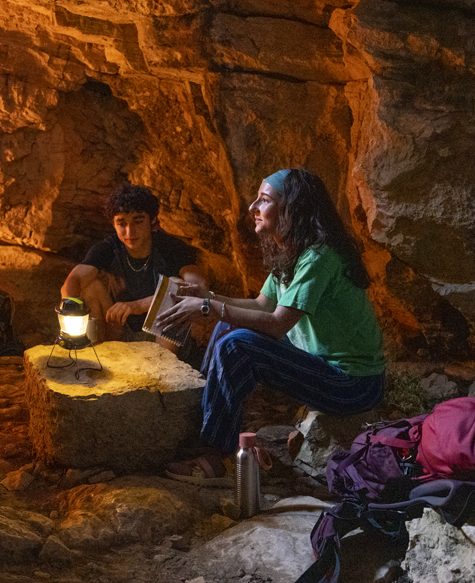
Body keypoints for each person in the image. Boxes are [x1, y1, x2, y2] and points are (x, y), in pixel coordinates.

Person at [155, 168, 385, 486]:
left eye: (264, 200)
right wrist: (207, 297)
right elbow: (262, 305)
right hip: (321, 366)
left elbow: (277, 324)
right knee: (226, 328)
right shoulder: (292, 251)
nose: (253, 207)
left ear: (291, 208)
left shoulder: (319, 257)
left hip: (352, 384)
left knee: (236, 344)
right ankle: (204, 430)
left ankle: (218, 457)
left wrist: (208, 308)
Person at [60, 184, 208, 360]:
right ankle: (97, 358)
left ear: (152, 221)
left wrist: (138, 306)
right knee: (90, 288)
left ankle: (164, 367)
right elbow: (74, 280)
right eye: (122, 223)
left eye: (138, 221)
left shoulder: (171, 248)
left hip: (163, 338)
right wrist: (70, 311)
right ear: (113, 224)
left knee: (176, 285)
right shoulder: (109, 248)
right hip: (121, 332)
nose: (129, 232)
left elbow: (198, 288)